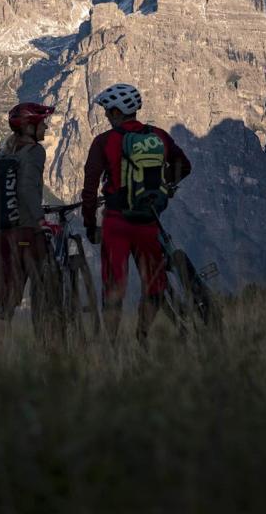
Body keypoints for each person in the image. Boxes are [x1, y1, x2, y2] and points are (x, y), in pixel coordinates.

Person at [79, 83, 190, 342]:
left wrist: (88, 224)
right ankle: (142, 336)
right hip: (148, 222)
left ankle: (112, 344)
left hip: (116, 223)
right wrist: (165, 186)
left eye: (108, 111)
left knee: (114, 286)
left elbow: (89, 189)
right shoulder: (158, 136)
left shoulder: (104, 141)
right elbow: (184, 166)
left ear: (117, 112)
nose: (106, 115)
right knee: (154, 283)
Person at [0, 102, 56, 327]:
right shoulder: (34, 151)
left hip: (1, 233)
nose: (46, 128)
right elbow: (27, 188)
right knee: (43, 286)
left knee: (6, 300)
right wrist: (39, 219)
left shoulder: (0, 154)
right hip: (27, 232)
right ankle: (48, 339)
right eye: (42, 123)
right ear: (30, 127)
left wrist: (4, 208)